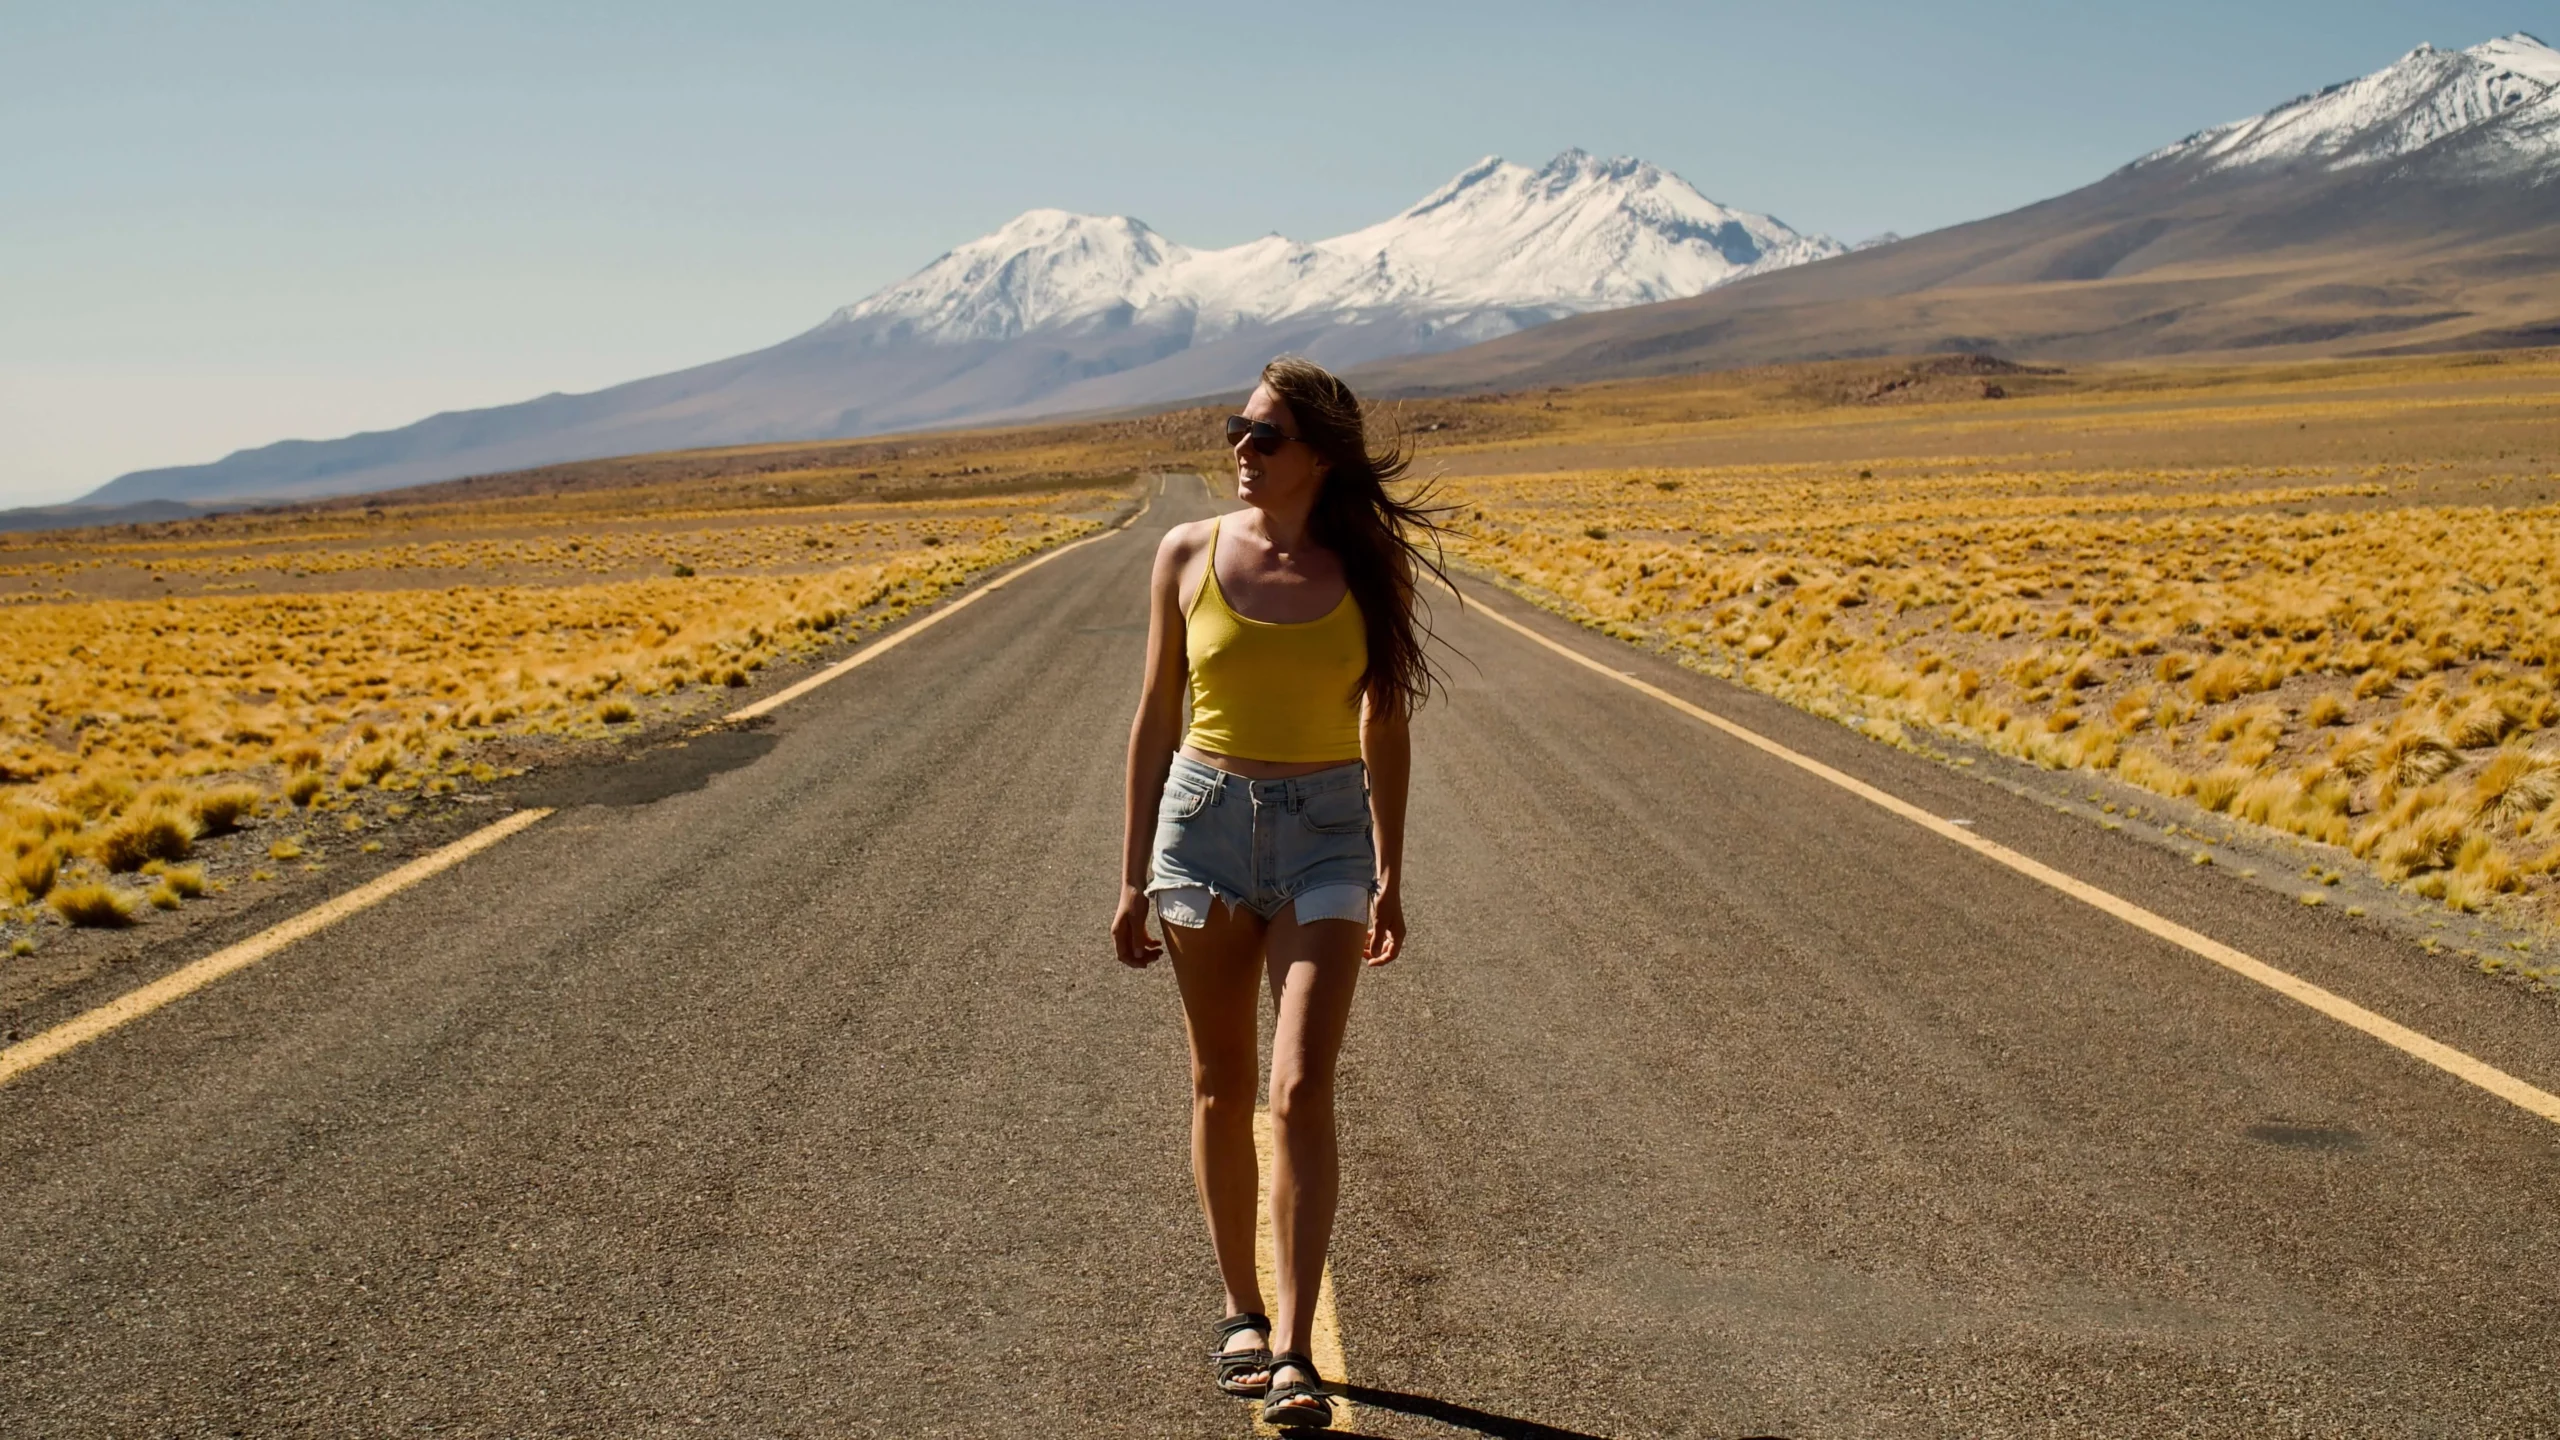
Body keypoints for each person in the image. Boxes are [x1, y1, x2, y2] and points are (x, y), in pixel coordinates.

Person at [1111, 355, 1453, 1426]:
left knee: (1300, 1089)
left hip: (1325, 840)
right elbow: (1156, 718)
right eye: (1236, 429)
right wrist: (1129, 877)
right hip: (1201, 831)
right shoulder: (1185, 552)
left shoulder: (1368, 567)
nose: (1240, 450)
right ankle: (1239, 1315)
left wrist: (1392, 872)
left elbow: (1383, 724)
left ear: (1318, 454)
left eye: (1263, 435)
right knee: (1221, 1083)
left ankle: (1298, 1349)